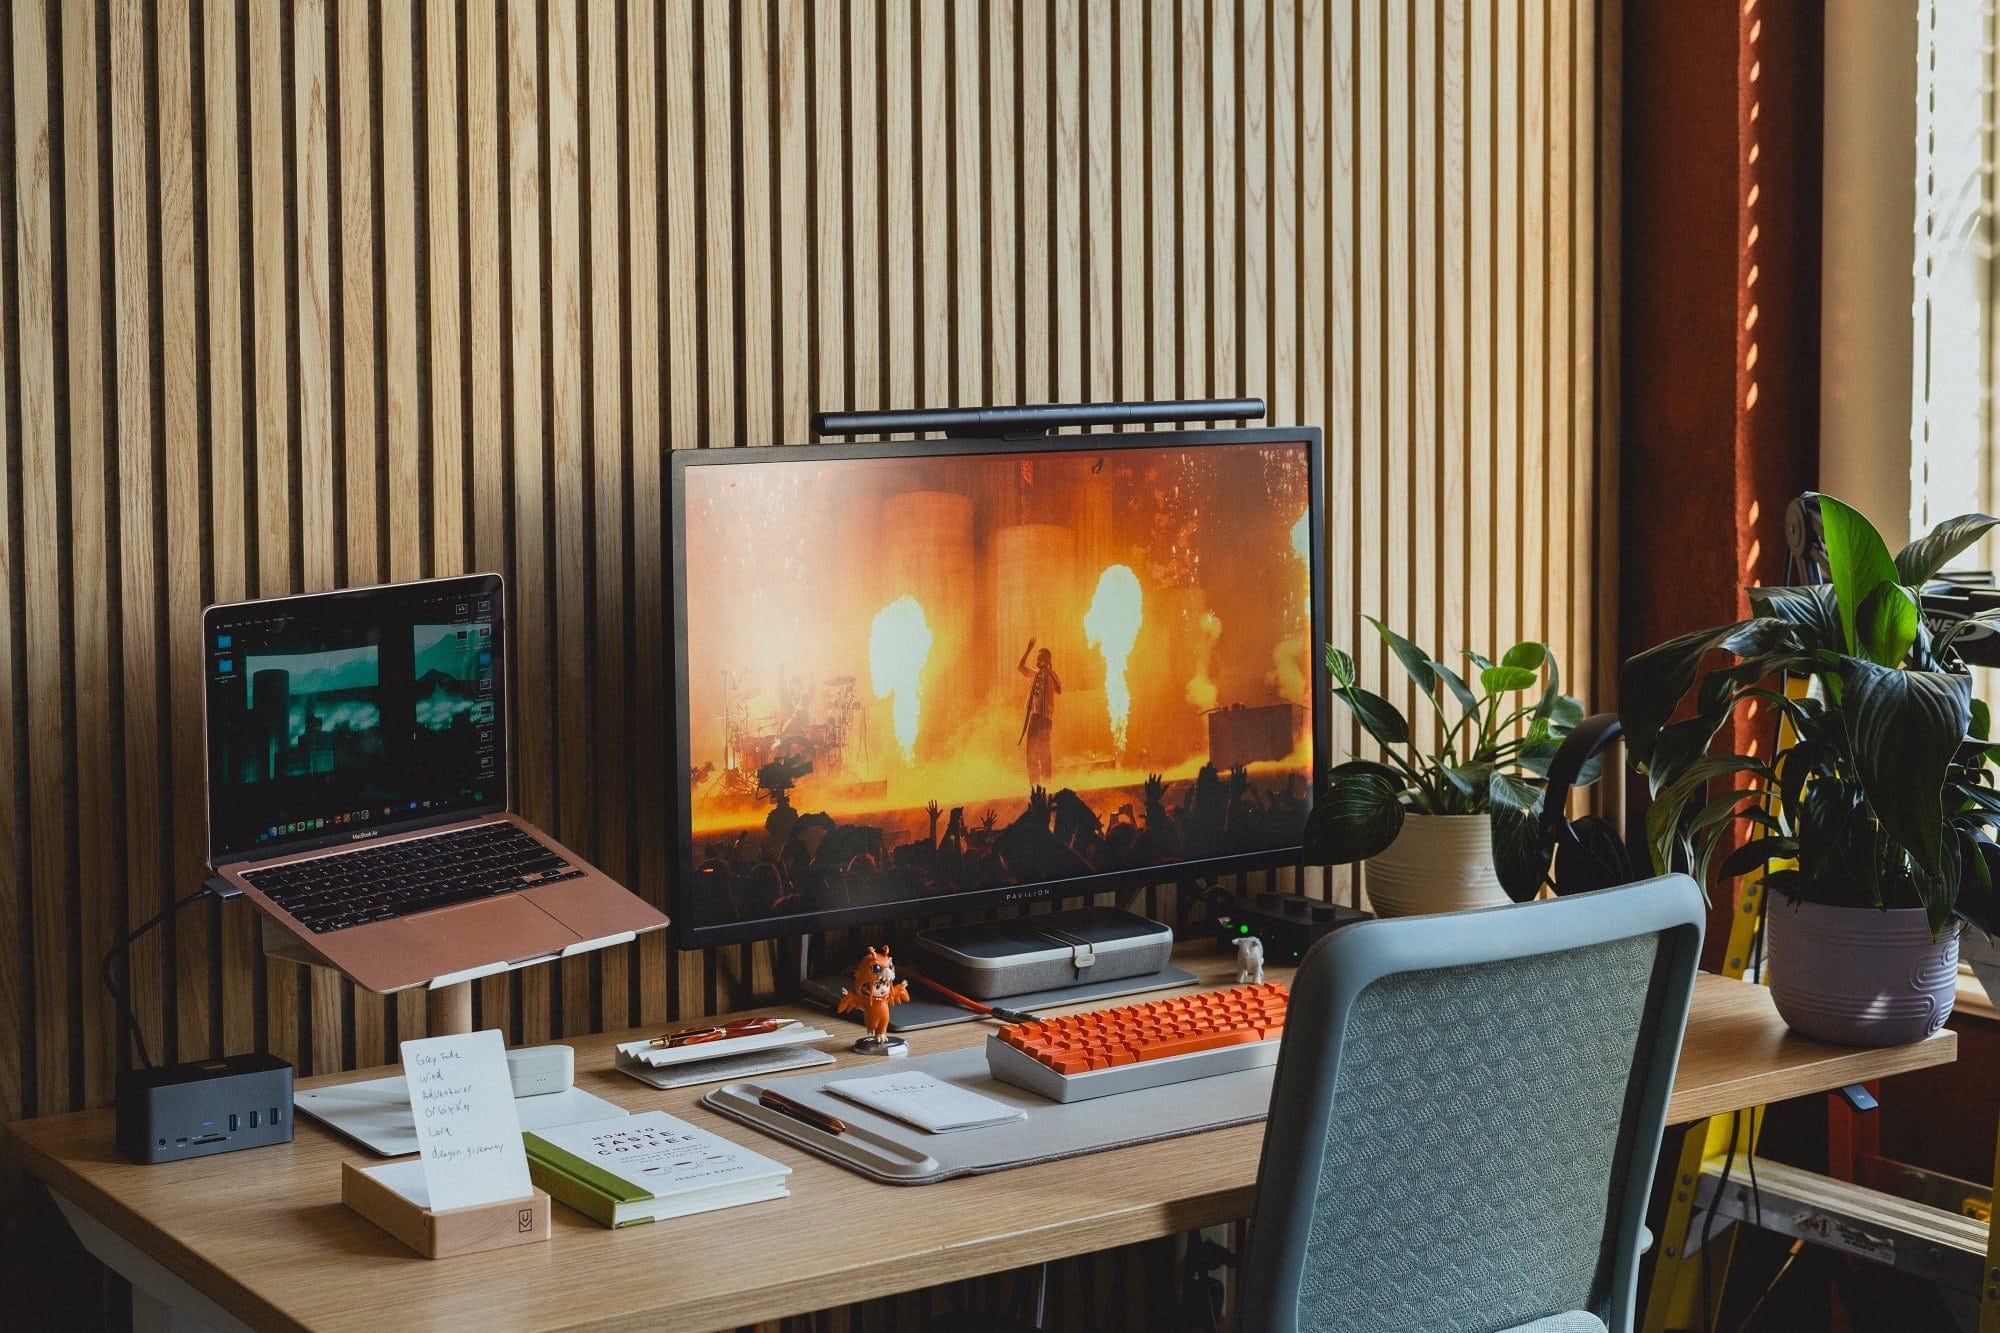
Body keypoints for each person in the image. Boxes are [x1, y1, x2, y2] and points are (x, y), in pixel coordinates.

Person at [1017, 638, 1062, 788]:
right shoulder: (1034, 674)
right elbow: (1020, 667)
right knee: (1031, 750)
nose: (1037, 659)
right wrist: (1028, 649)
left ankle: (1047, 784)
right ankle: (1034, 785)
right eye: (1036, 657)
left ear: (1046, 659)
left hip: (1046, 718)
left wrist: (1049, 671)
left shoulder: (1052, 675)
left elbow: (1059, 689)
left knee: (1044, 751)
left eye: (1039, 657)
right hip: (1035, 716)